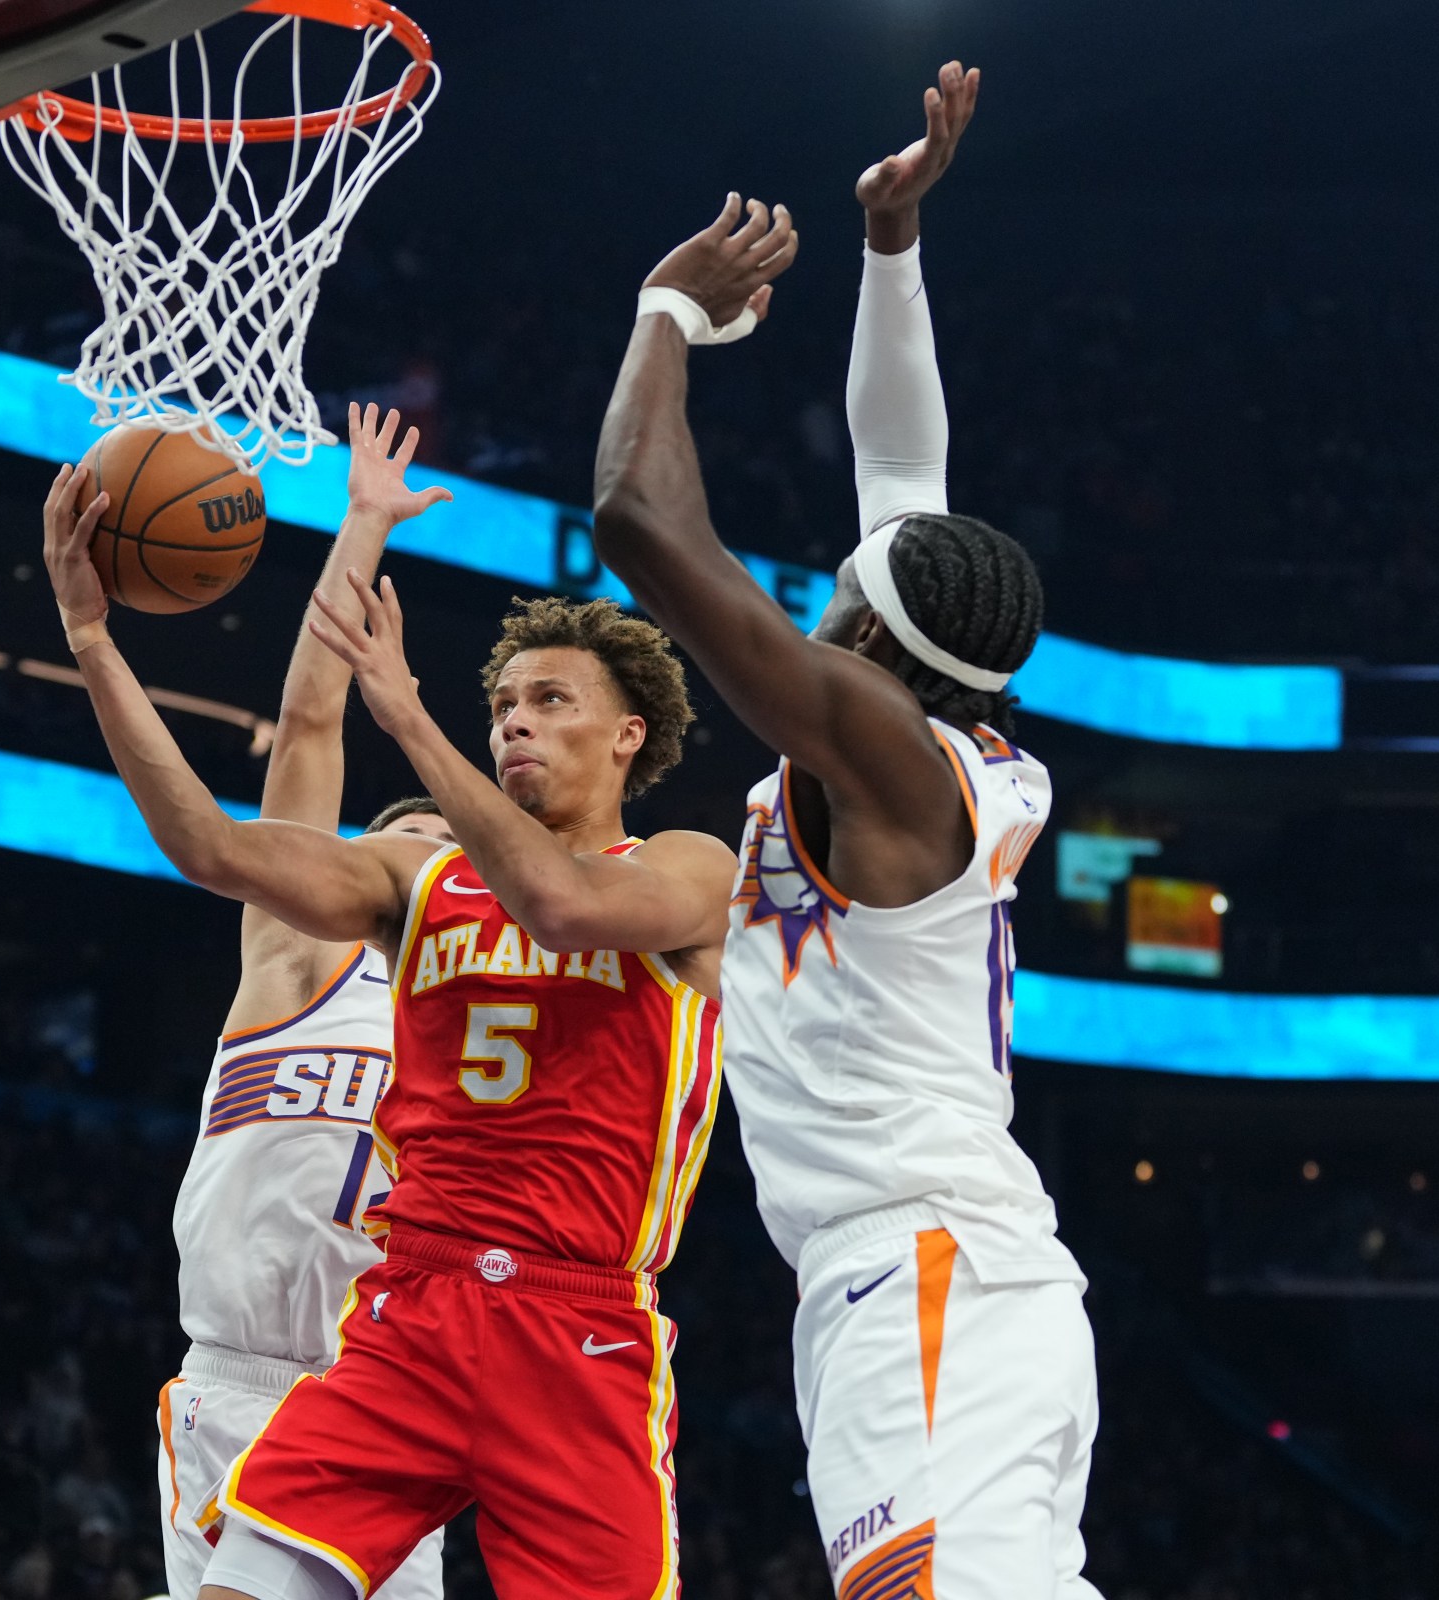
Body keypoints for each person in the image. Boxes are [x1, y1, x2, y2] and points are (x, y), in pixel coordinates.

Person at [40, 420, 735, 1600]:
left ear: (628, 734)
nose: (513, 717)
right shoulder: (411, 895)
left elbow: (562, 901)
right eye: (503, 700)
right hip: (405, 1312)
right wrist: (92, 638)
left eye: (548, 698)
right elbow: (213, 841)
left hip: (578, 1325)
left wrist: (406, 709)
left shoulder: (689, 867)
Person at [592, 62, 1102, 1600]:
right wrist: (892, 245)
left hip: (928, 1267)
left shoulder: (883, 759)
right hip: (928, 1274)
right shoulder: (942, 734)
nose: (823, 586)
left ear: (865, 640)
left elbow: (638, 518)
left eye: (839, 592)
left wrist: (666, 316)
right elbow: (901, 471)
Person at [149, 406, 455, 1600]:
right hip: (235, 1381)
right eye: (405, 845)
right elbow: (313, 723)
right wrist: (362, 527)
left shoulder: (491, 1019)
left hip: (385, 1396)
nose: (426, 865)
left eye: (449, 854)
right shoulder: (299, 953)